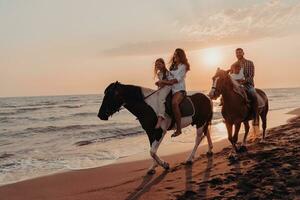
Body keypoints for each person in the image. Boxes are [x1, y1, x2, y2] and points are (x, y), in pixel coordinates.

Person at [156, 48, 190, 137]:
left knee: (174, 103)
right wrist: (161, 82)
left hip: (179, 90)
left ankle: (179, 129)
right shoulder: (172, 67)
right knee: (159, 98)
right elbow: (168, 79)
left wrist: (163, 82)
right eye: (174, 54)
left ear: (181, 56)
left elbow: (175, 80)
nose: (174, 56)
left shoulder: (184, 66)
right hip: (170, 89)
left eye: (177, 55)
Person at [233, 48, 259, 125]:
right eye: (237, 53)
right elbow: (232, 76)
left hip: (248, 84)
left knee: (253, 95)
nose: (238, 54)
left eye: (240, 53)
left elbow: (251, 75)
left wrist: (243, 81)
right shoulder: (233, 65)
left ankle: (255, 117)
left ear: (243, 53)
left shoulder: (249, 63)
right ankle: (229, 116)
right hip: (237, 85)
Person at [153, 58, 171, 129]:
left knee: (161, 99)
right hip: (162, 87)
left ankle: (160, 118)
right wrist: (158, 84)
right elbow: (161, 83)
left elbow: (166, 82)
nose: (158, 66)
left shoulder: (167, 73)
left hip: (168, 87)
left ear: (163, 64)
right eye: (156, 65)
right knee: (154, 97)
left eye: (159, 64)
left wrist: (160, 83)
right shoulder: (159, 74)